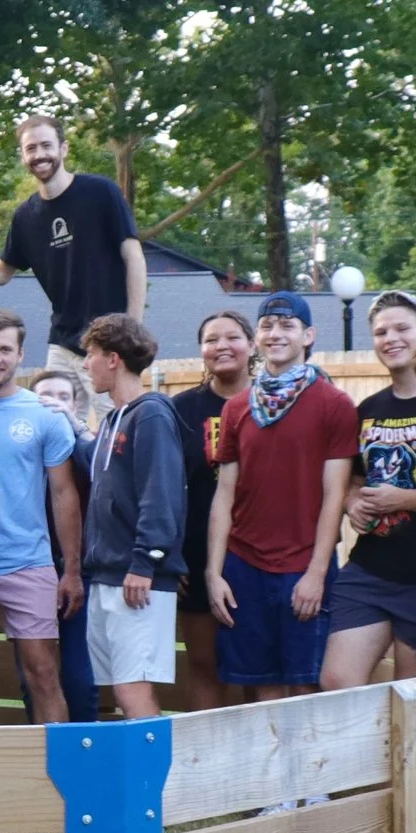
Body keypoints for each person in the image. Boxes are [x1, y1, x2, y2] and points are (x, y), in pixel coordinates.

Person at [205, 292, 357, 702]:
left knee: (307, 685)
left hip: (302, 565)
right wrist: (214, 572)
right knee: (261, 687)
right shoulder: (237, 409)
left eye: (287, 326)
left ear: (308, 335)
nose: (276, 334)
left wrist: (316, 573)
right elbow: (225, 495)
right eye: (268, 326)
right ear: (256, 338)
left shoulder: (335, 405)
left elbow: (334, 496)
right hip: (244, 566)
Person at [0, 114, 146, 365]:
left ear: (63, 149)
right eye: (31, 148)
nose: (39, 154)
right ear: (22, 156)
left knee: (117, 407)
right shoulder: (25, 216)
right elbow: (1, 271)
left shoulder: (100, 192)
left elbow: (134, 257)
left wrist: (132, 329)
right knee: (51, 404)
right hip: (63, 344)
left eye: (46, 145)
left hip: (111, 342)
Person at [322, 290, 416, 689]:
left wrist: (402, 500)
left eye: (403, 328)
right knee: (336, 681)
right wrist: (351, 501)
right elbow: (355, 476)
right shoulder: (368, 409)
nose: (391, 338)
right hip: (370, 570)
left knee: (411, 691)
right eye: (381, 331)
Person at [0, 310, 83, 723]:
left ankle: (61, 775)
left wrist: (71, 570)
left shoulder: (43, 414)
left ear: (20, 354)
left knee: (44, 675)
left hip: (28, 562)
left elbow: (64, 494)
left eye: (4, 350)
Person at [78, 316, 184, 722]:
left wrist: (145, 562)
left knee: (133, 689)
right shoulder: (111, 421)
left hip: (138, 577)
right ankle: (136, 782)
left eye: (90, 355)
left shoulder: (152, 414)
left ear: (114, 359)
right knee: (121, 691)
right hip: (107, 576)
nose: (86, 365)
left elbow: (162, 495)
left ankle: (162, 786)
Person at [169, 311, 255, 710]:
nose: (222, 346)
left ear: (252, 346)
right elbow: (163, 487)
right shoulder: (181, 409)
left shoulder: (272, 403)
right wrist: (171, 555)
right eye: (212, 340)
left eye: (233, 337)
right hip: (197, 555)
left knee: (260, 668)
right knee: (205, 664)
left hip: (260, 554)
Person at [27, 367, 102, 723]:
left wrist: (76, 426)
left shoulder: (83, 446)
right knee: (35, 669)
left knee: (78, 670)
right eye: (45, 397)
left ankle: (86, 743)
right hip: (29, 565)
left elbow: (103, 468)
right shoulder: (22, 445)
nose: (53, 404)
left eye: (63, 397)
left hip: (77, 568)